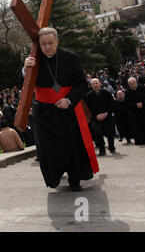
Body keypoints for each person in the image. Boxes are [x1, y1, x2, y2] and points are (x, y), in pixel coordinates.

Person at [22, 27, 98, 191]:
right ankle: (54, 178)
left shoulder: (70, 58)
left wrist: (69, 100)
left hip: (67, 110)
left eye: (50, 43)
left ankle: (74, 178)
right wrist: (24, 70)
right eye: (43, 44)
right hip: (44, 113)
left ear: (57, 42)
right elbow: (25, 83)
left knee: (71, 146)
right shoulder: (34, 60)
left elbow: (81, 83)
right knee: (48, 149)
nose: (47, 47)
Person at [85, 78, 116, 156]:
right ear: (91, 86)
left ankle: (112, 148)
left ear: (100, 84)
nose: (95, 85)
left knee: (110, 132)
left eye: (96, 83)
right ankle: (102, 150)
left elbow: (112, 105)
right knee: (97, 131)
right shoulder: (89, 95)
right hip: (96, 118)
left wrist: (106, 114)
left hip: (107, 115)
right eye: (93, 84)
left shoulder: (107, 93)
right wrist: (96, 115)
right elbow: (89, 108)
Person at [125, 77, 145, 145]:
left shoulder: (143, 88)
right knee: (137, 127)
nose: (133, 85)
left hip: (144, 110)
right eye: (131, 84)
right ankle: (139, 141)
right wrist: (135, 105)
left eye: (134, 83)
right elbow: (127, 103)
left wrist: (142, 103)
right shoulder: (127, 92)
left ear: (136, 82)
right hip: (134, 112)